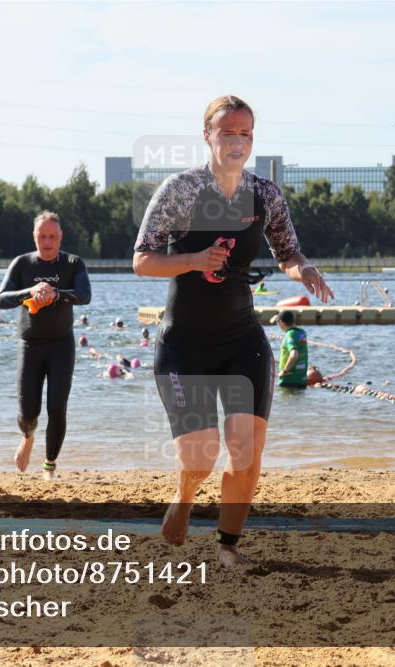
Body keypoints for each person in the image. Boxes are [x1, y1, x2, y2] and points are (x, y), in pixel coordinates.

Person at [132, 95, 334, 565]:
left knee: (246, 452)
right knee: (201, 458)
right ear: (208, 135)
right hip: (183, 344)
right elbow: (142, 260)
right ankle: (184, 496)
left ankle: (227, 547)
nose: (237, 141)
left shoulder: (265, 195)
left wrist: (301, 269)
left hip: (242, 339)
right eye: (227, 132)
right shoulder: (180, 191)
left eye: (245, 133)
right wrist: (194, 261)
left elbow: (288, 251)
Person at [0, 211, 91, 480]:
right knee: (28, 412)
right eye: (42, 236)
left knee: (57, 407)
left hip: (61, 346)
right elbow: (2, 299)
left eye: (52, 236)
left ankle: (50, 464)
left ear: (61, 236)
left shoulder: (73, 263)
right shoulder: (22, 263)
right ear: (34, 237)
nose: (47, 241)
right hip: (30, 346)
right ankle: (27, 438)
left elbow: (85, 295)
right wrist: (30, 291)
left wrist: (56, 294)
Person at [274, 310, 308, 389]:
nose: (278, 325)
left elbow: (294, 355)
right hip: (302, 380)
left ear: (282, 322)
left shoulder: (289, 335)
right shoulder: (302, 333)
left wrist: (284, 371)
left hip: (289, 380)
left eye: (277, 323)